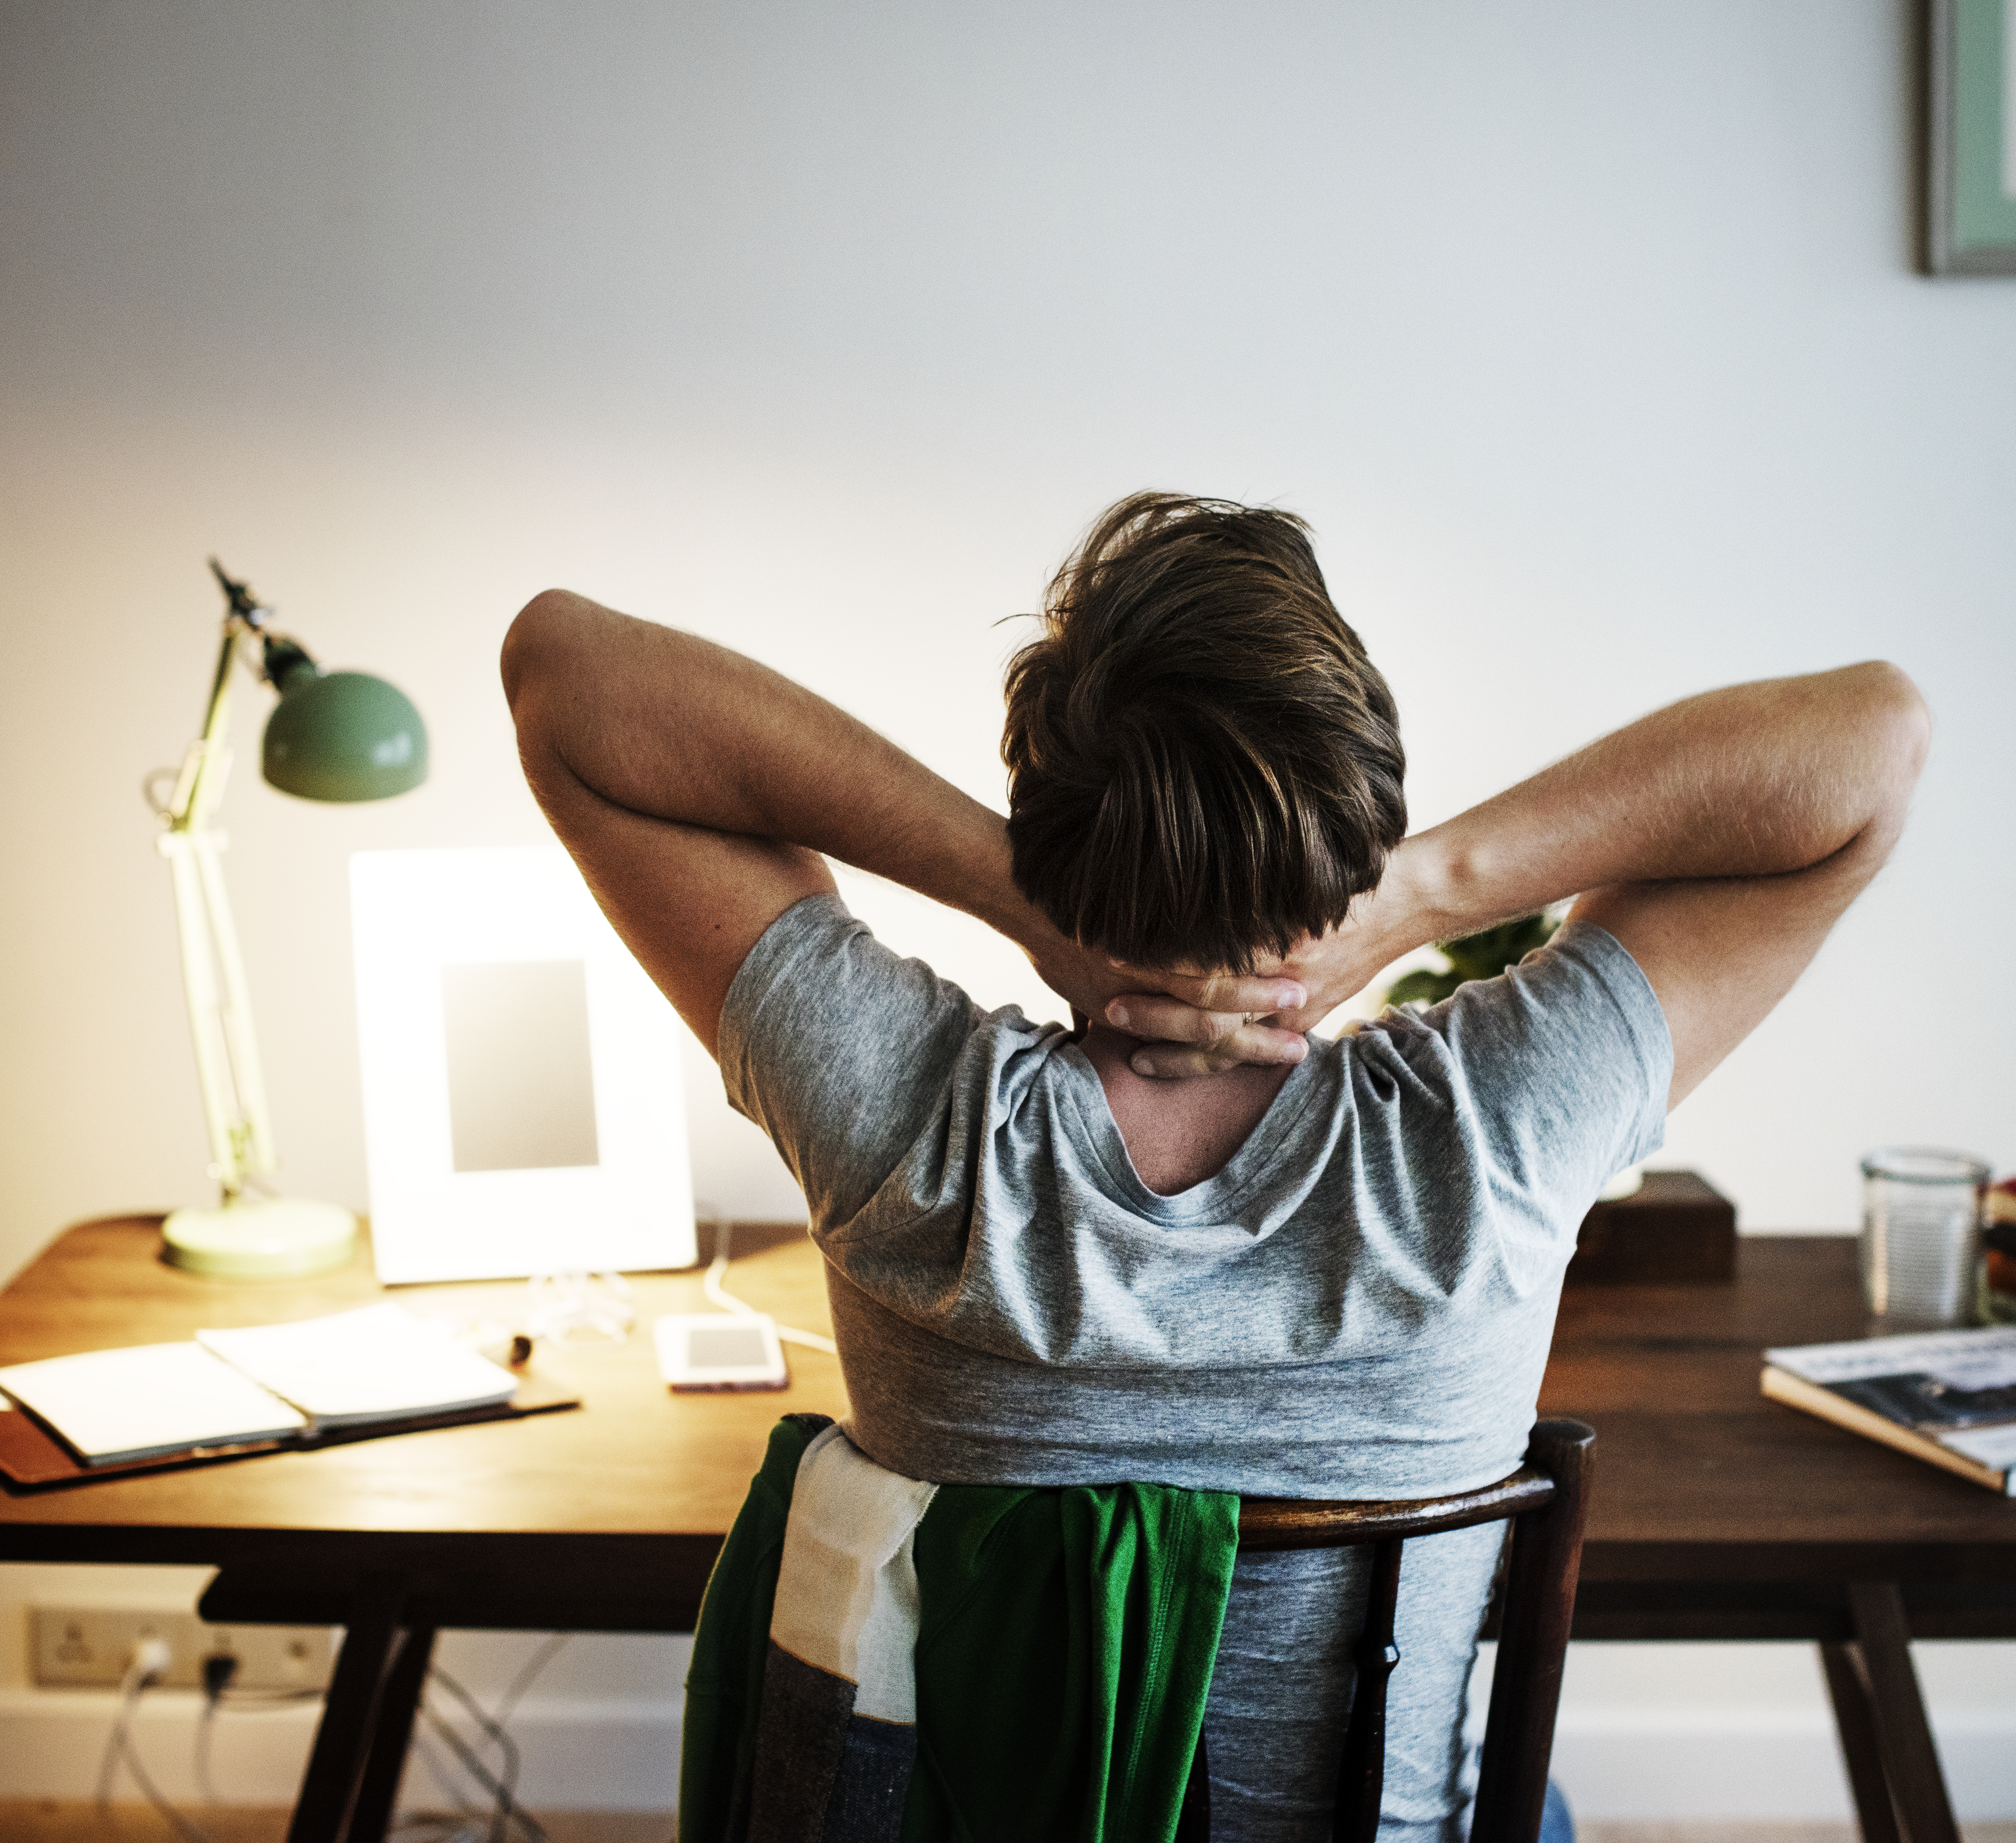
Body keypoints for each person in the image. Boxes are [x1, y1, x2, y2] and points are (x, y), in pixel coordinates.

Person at [501, 493, 1929, 1841]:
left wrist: (1021, 893)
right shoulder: (1496, 1132)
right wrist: (1417, 892)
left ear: (1054, 821)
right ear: (1355, 815)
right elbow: (1871, 745)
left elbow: (566, 673)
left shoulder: (901, 1118)